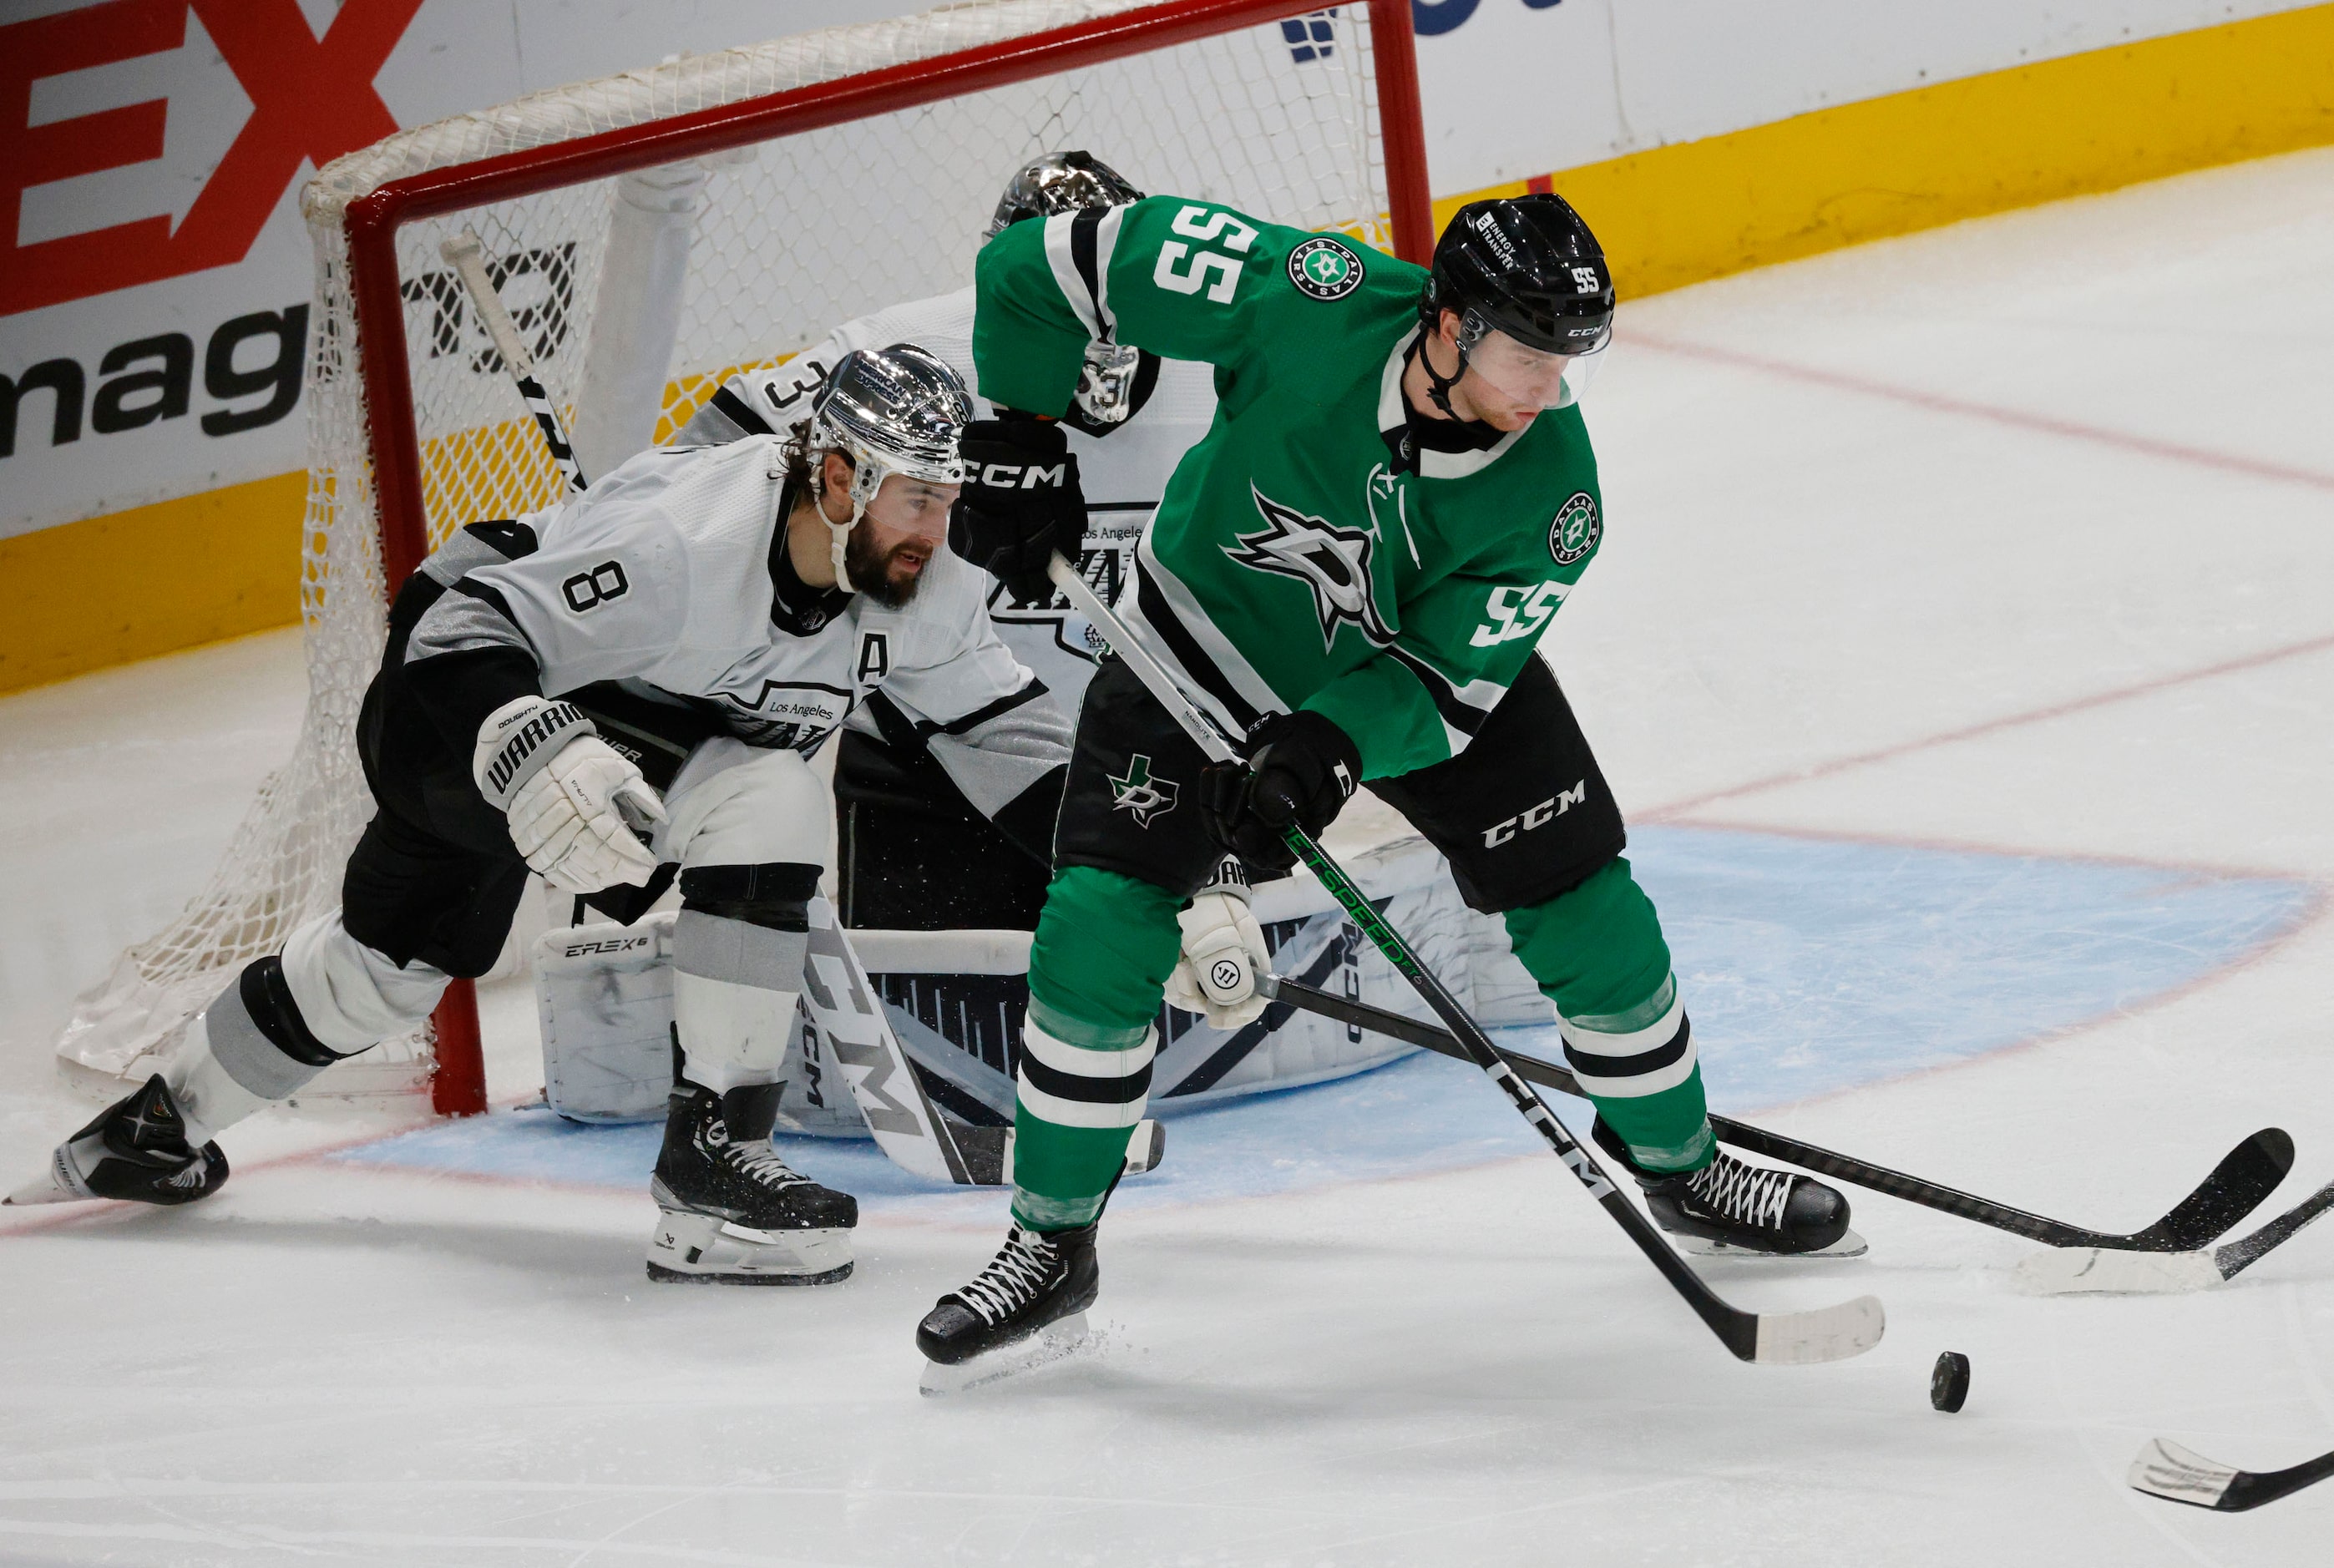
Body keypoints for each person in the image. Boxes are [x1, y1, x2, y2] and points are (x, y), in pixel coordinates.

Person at [919, 190, 1857, 1374]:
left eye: (1567, 361)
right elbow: (1043, 258)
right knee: (1099, 923)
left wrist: (1327, 744)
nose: (1546, 390)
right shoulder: (1301, 291)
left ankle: (1678, 1163)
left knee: (1583, 898)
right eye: (1526, 354)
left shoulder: (1557, 499)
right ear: (1449, 323)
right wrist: (1019, 425)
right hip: (1195, 637)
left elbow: (1444, 685)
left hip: (1399, 686)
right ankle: (1048, 1245)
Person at [10, 346, 1072, 1288]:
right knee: (430, 945)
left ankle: (158, 1127)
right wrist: (531, 747)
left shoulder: (923, 592)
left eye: (947, 498)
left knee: (397, 963)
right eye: (917, 501)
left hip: (637, 733)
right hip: (455, 692)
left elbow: (1012, 749)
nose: (938, 531)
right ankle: (707, 1186)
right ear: (839, 477)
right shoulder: (681, 543)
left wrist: (1152, 884)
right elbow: (463, 626)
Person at [675, 151, 1222, 935]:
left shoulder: (1224, 368)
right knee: (932, 1049)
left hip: (1156, 777)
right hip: (928, 768)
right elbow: (702, 468)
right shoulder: (904, 359)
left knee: (1166, 1034)